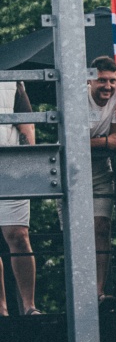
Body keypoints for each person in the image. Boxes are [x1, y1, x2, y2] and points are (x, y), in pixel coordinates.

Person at [0, 75, 39, 317]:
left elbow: (27, 126)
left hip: (12, 166)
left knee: (19, 236)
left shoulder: (12, 80)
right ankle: (1, 309)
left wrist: (29, 166)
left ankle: (29, 306)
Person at [84, 57, 116, 302]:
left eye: (112, 81)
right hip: (73, 173)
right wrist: (105, 141)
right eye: (102, 80)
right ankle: (79, 290)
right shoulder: (77, 98)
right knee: (77, 233)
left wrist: (94, 142)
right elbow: (72, 141)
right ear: (90, 80)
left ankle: (98, 290)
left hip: (100, 170)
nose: (108, 86)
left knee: (102, 228)